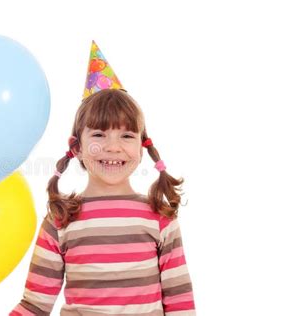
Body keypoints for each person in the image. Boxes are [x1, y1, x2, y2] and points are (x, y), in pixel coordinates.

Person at [10, 41, 196, 315]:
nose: (112, 146)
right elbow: (35, 304)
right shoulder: (60, 220)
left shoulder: (160, 217)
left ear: (142, 147)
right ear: (77, 148)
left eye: (127, 136)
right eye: (98, 134)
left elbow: (180, 303)